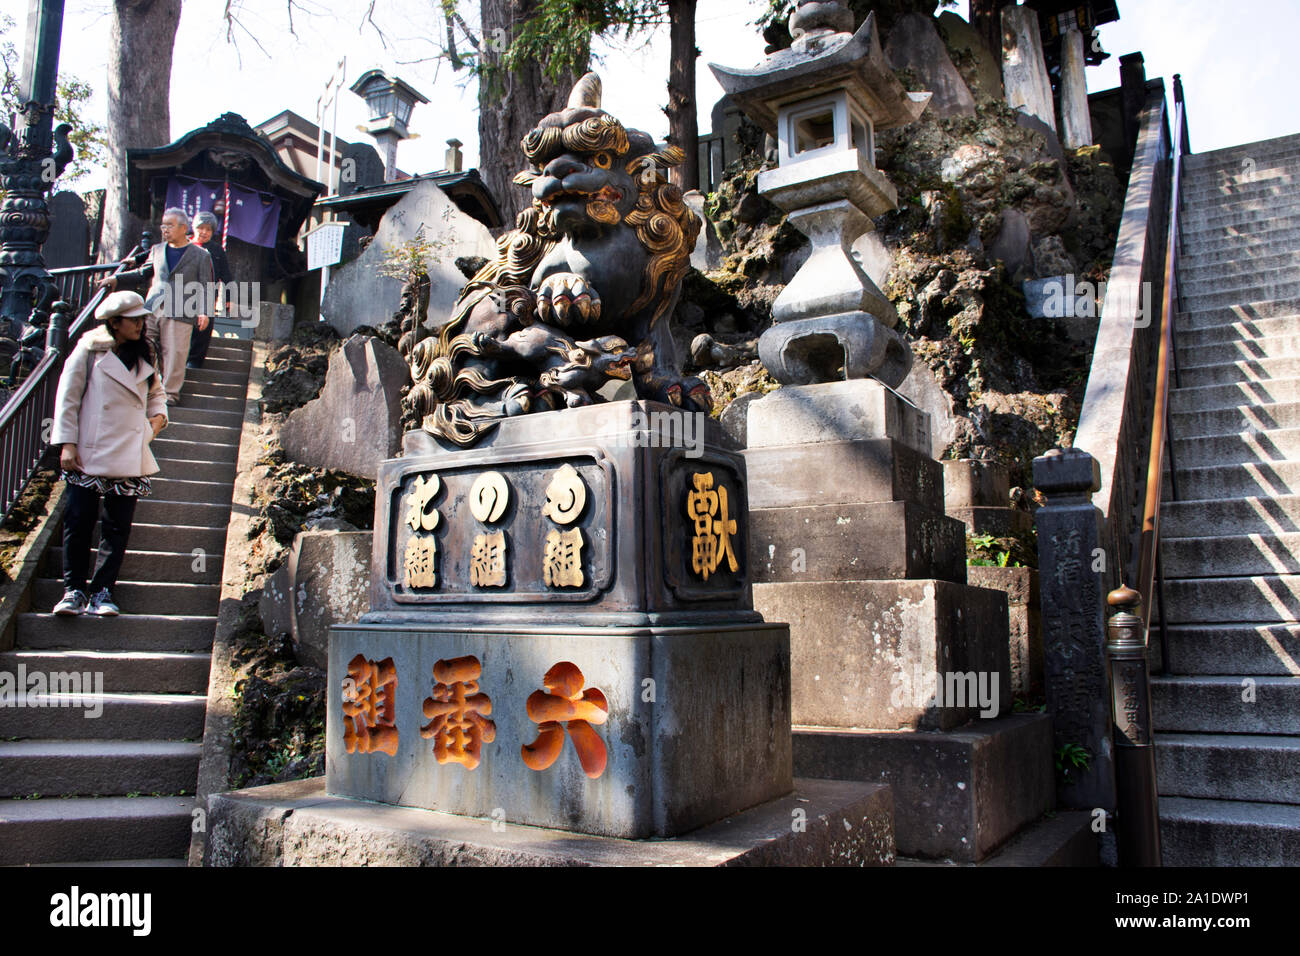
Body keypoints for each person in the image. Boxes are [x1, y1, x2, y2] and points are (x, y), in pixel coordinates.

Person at [50, 291, 168, 616]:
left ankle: (102, 591)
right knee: (79, 520)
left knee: (117, 527)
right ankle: (73, 590)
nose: (141, 325)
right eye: (134, 320)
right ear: (114, 323)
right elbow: (68, 397)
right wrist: (67, 443)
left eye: (143, 318)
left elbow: (156, 392)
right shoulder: (89, 351)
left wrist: (156, 421)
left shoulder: (145, 354)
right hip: (89, 451)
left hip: (129, 453)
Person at [99, 207, 213, 405]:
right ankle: (142, 387)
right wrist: (116, 279)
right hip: (153, 306)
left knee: (175, 353)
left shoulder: (201, 255)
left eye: (170, 225)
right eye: (163, 225)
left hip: (182, 309)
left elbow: (206, 285)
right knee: (144, 346)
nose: (164, 229)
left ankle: (170, 394)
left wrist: (204, 311)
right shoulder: (157, 250)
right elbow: (143, 273)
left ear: (184, 228)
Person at [187, 210, 233, 368]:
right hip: (183, 292)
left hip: (207, 293)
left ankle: (194, 360)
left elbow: (226, 277)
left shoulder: (216, 250)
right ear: (194, 227)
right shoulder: (183, 245)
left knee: (203, 327)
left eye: (208, 229)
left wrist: (228, 300)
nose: (204, 232)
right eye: (201, 228)